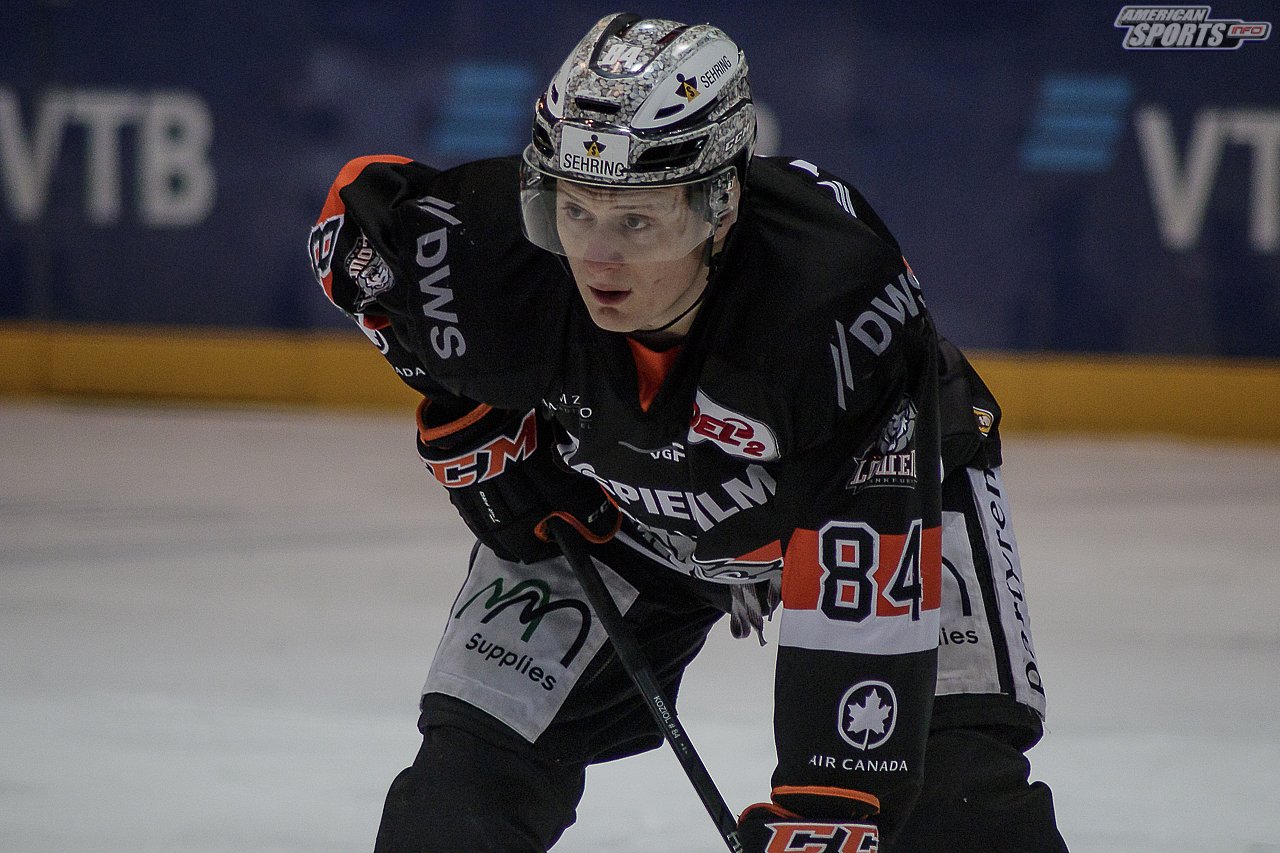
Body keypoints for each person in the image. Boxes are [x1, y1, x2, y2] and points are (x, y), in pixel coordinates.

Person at [308, 12, 1068, 852]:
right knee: (459, 797)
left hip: (888, 492)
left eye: (637, 221)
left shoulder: (827, 308)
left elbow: (865, 588)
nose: (597, 259)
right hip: (622, 510)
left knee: (959, 807)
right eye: (574, 209)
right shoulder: (496, 253)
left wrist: (833, 798)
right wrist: (466, 405)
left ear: (720, 203)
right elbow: (353, 234)